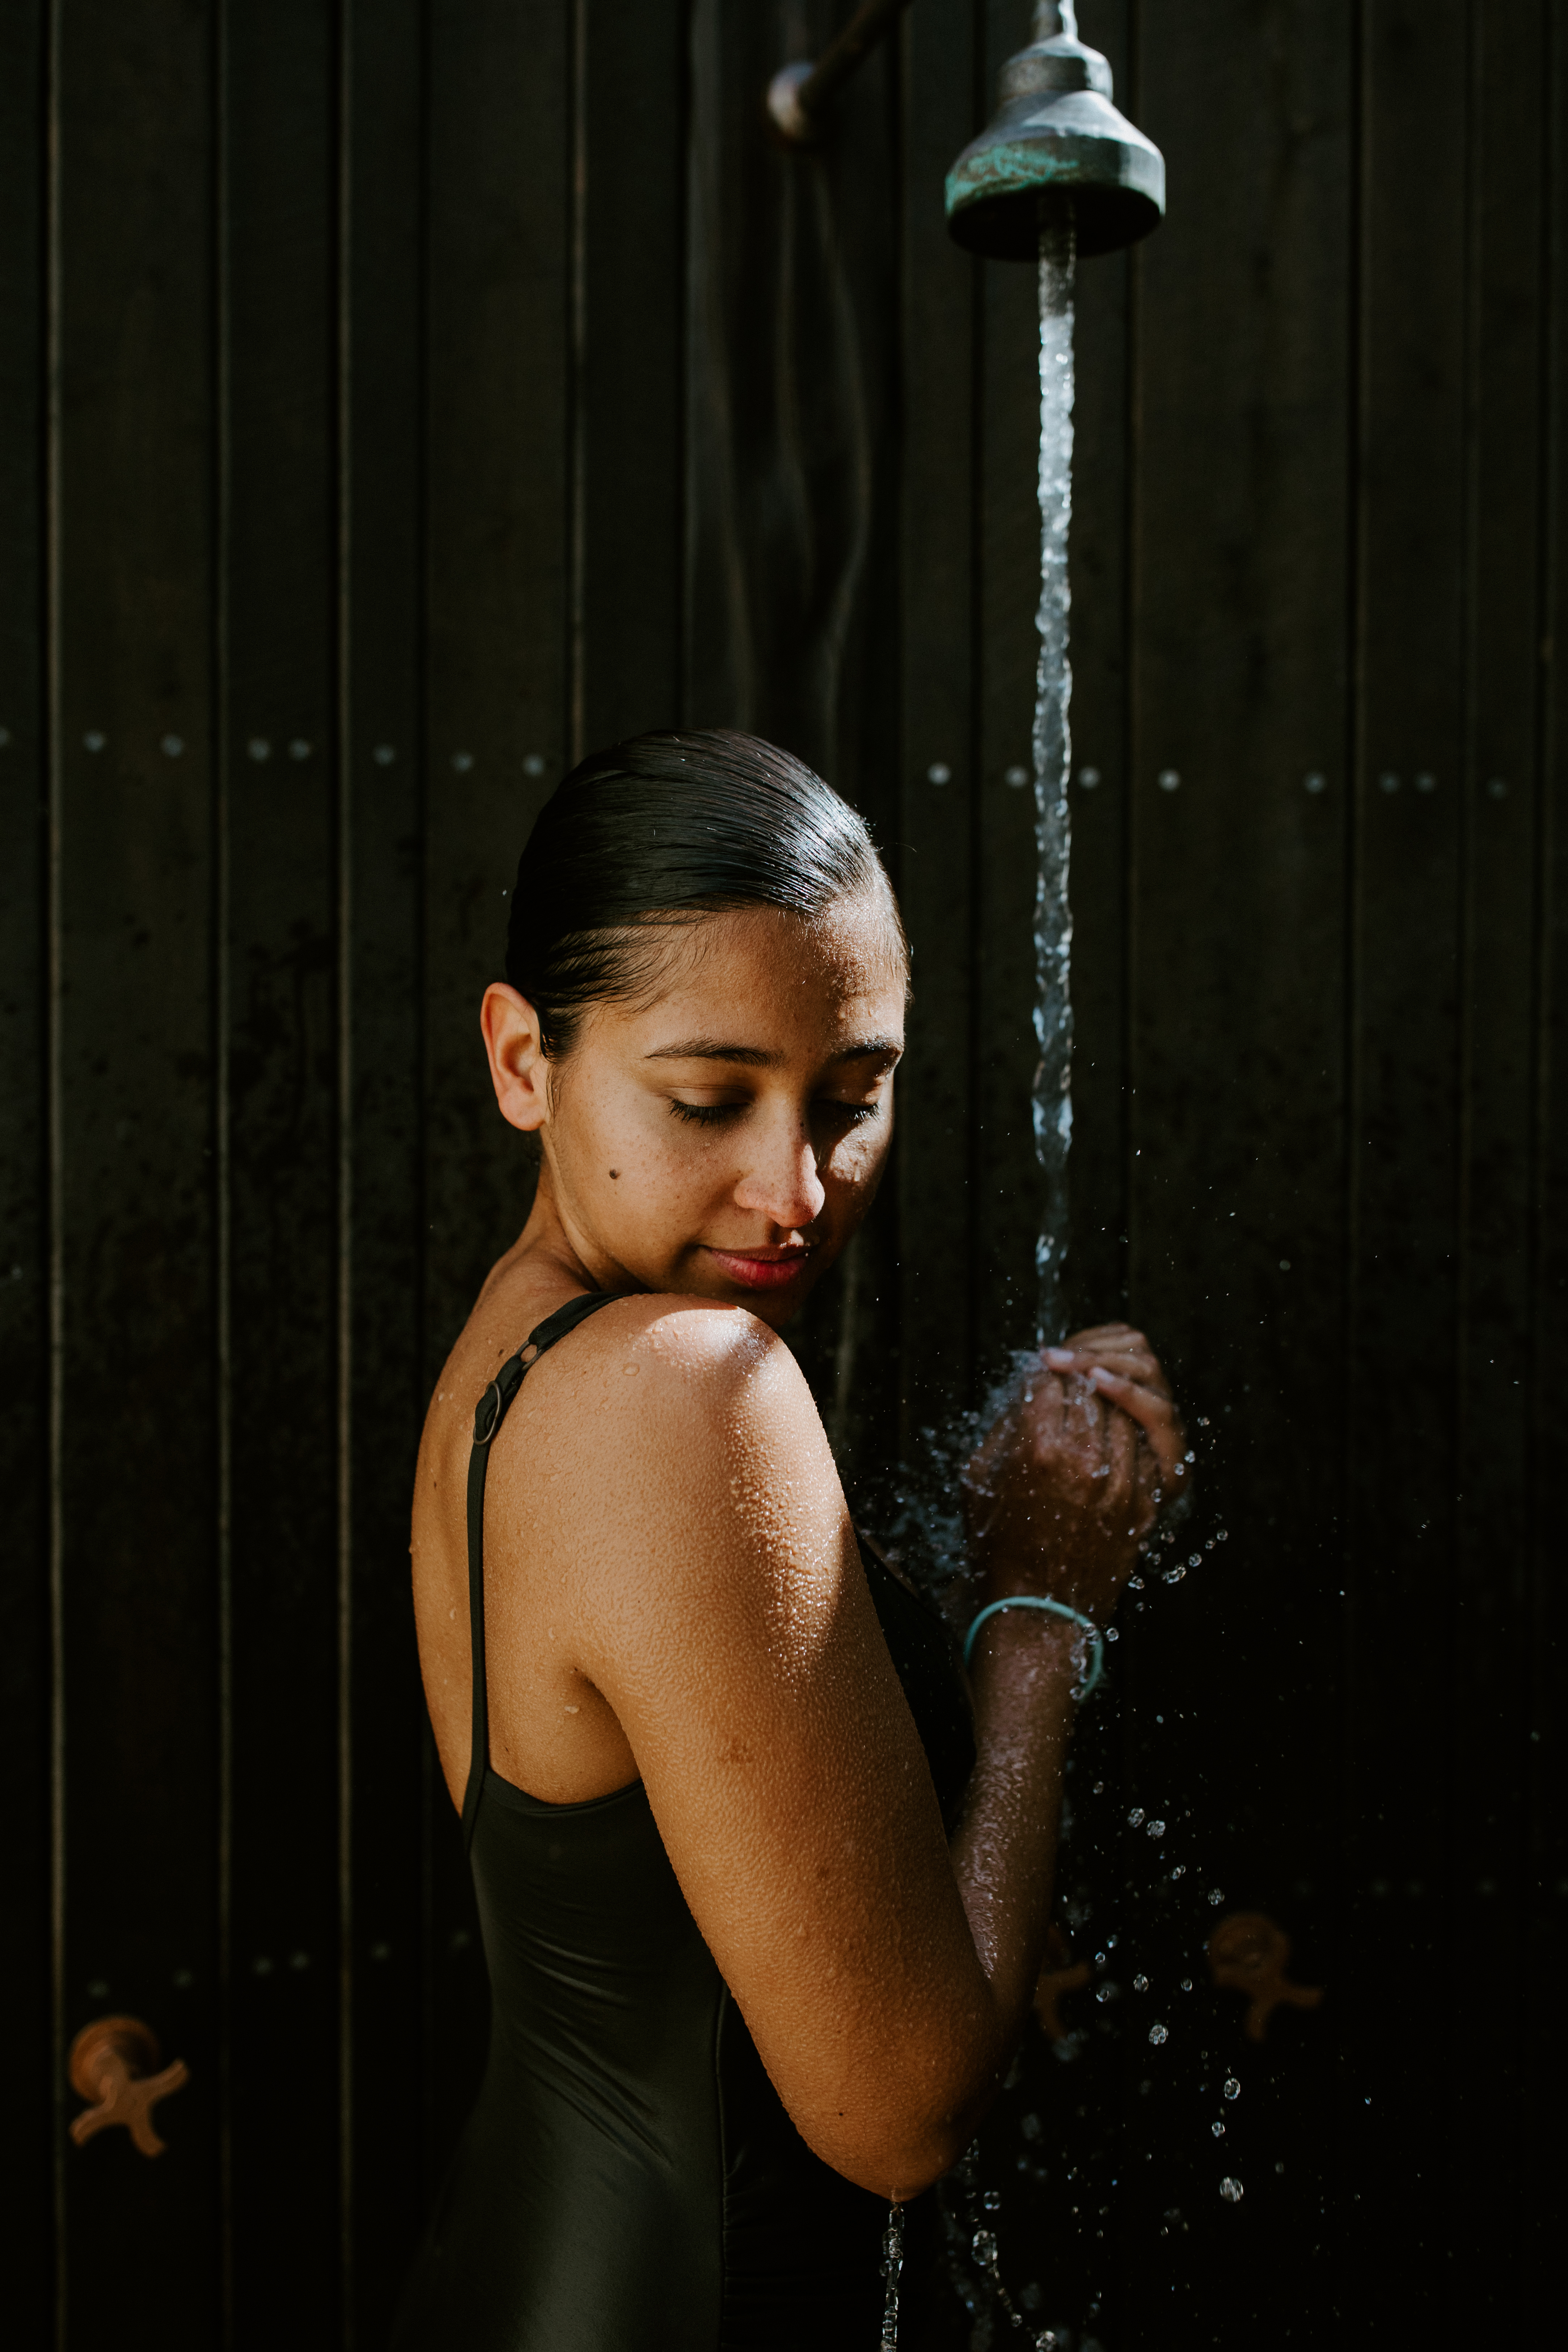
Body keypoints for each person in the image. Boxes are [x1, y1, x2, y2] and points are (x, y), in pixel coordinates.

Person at [391, 729, 1181, 2351]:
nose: (797, 1183)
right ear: (522, 1060)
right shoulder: (687, 1382)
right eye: (707, 1096)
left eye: (852, 1097)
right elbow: (895, 2112)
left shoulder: (512, 1354)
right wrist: (1038, 1617)